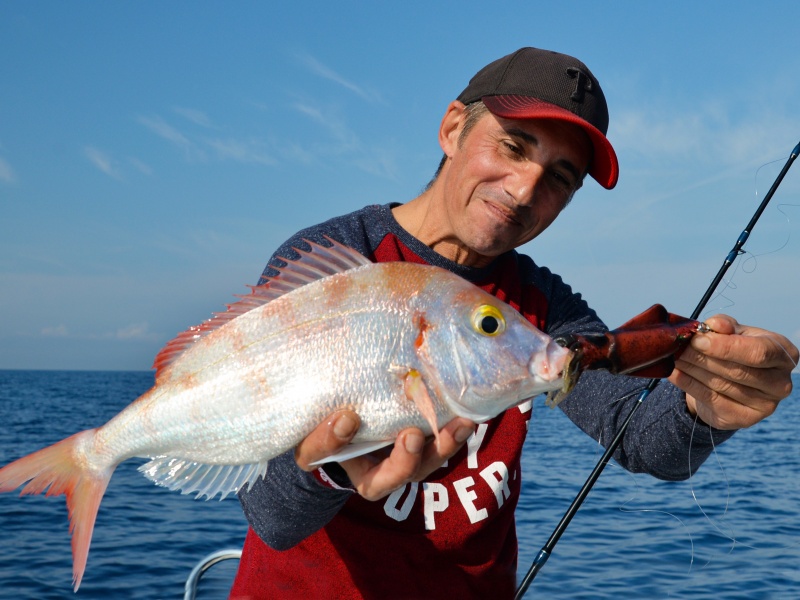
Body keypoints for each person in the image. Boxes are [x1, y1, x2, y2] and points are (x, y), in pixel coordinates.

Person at [229, 47, 797, 599]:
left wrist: (708, 405)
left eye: (559, 178)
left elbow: (640, 436)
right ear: (453, 129)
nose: (525, 189)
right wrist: (331, 468)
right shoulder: (330, 262)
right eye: (512, 146)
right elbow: (273, 515)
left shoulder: (543, 307)